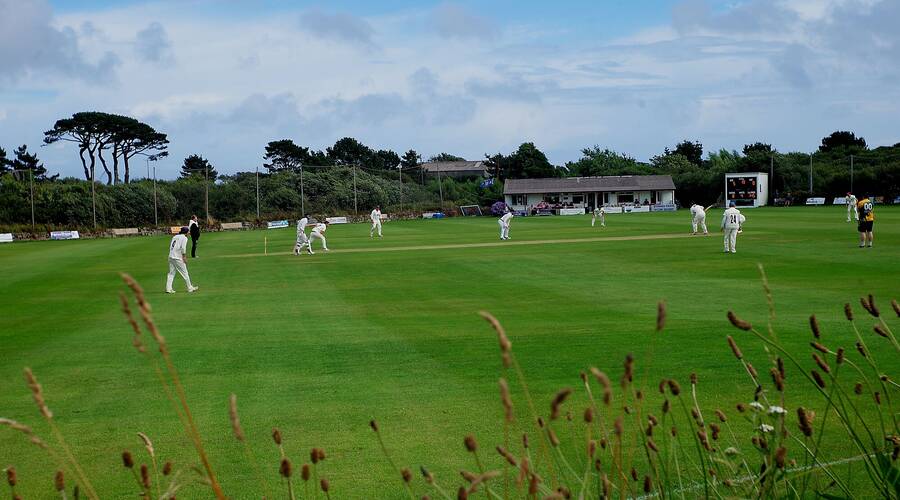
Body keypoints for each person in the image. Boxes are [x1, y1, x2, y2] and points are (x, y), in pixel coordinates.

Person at [166, 227, 198, 294]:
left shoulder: (175, 236)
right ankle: (189, 288)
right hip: (177, 257)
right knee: (185, 273)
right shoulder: (184, 238)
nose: (189, 233)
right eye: (188, 232)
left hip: (171, 256)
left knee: (171, 273)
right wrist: (184, 257)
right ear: (186, 232)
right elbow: (183, 248)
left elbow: (171, 246)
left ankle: (168, 289)